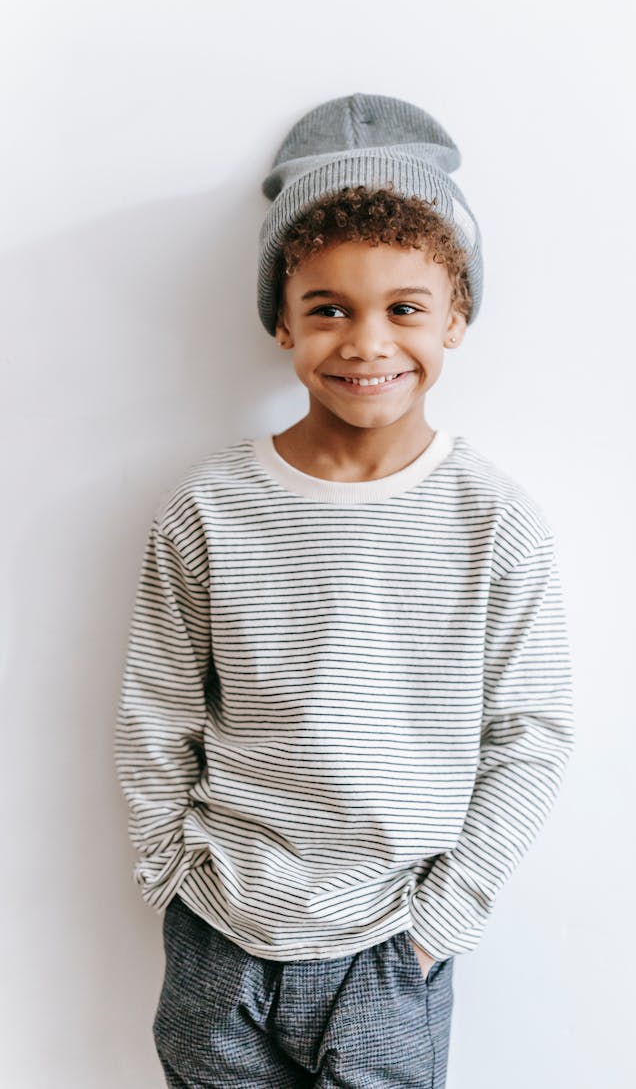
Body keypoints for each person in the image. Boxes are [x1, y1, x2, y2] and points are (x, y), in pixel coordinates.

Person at [115, 92, 575, 1089]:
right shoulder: (209, 507)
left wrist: (440, 921)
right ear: (283, 320)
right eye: (330, 308)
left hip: (390, 944)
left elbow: (531, 733)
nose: (368, 343)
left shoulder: (492, 518)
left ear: (456, 316)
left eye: (404, 308)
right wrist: (172, 878)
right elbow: (157, 706)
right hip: (221, 927)